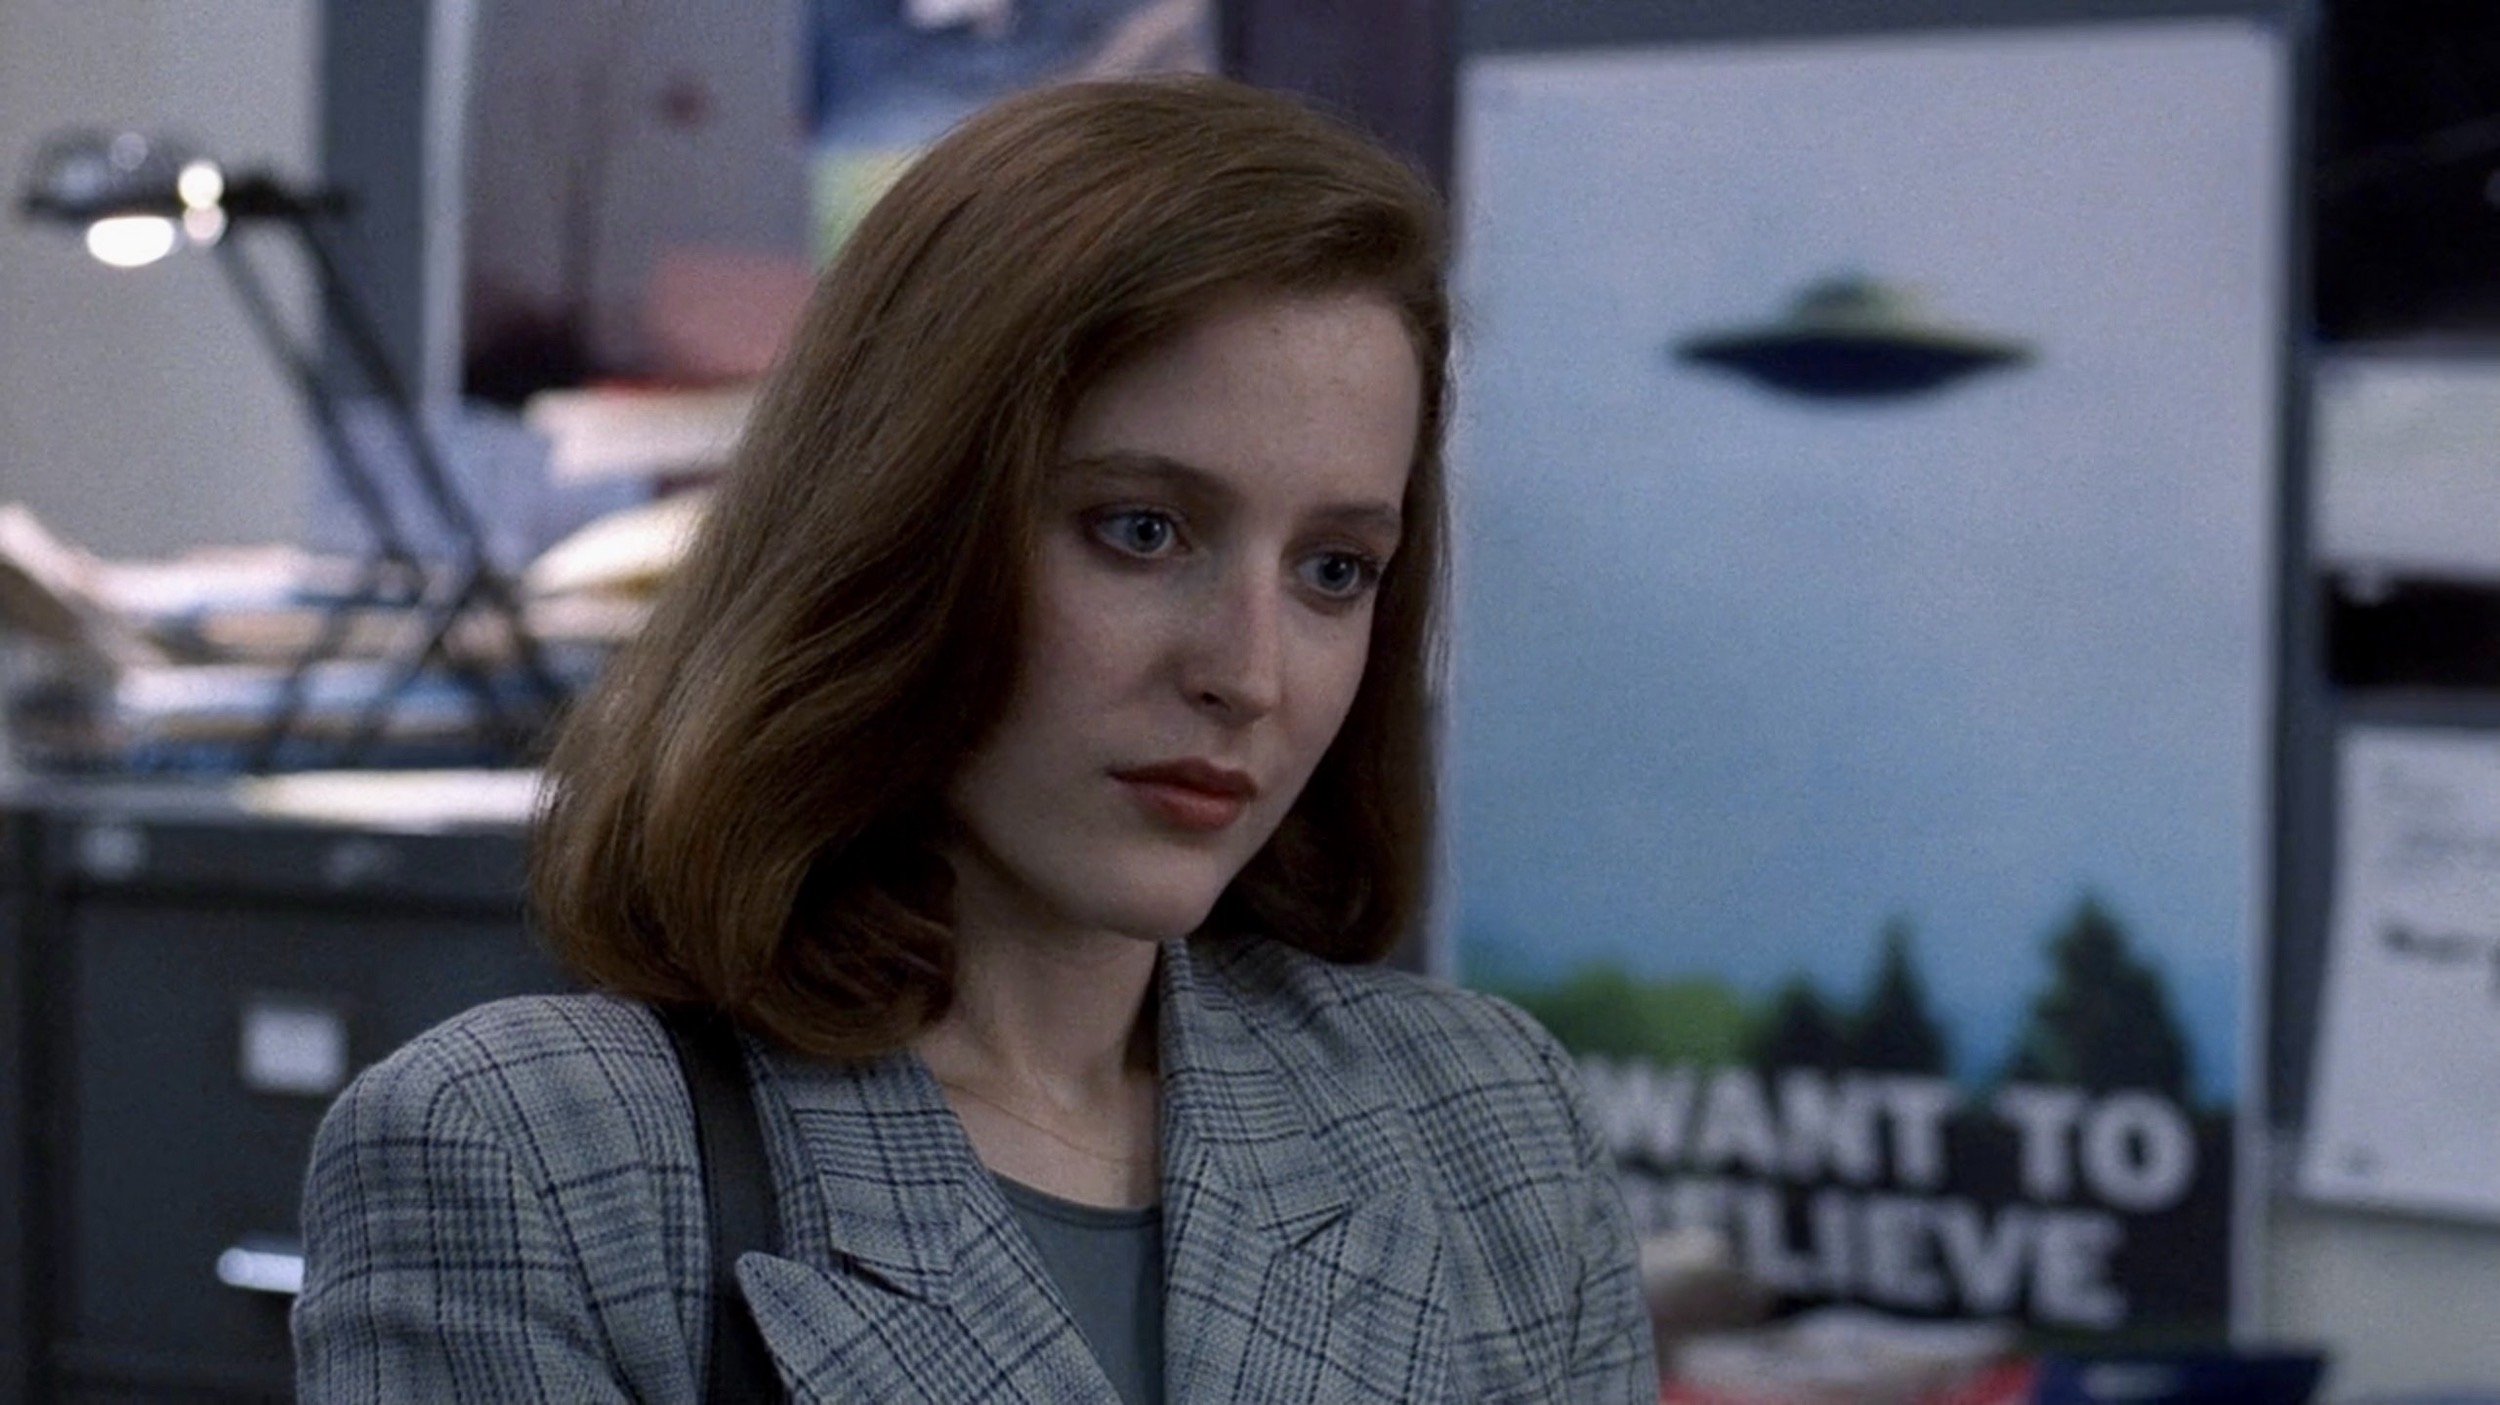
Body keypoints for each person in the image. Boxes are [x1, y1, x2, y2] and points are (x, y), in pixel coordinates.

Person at [293, 75, 1656, 1403]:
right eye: (1141, 530)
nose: (1248, 674)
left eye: (1334, 570)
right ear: (899, 526)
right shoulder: (531, 1158)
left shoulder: (1490, 1125)